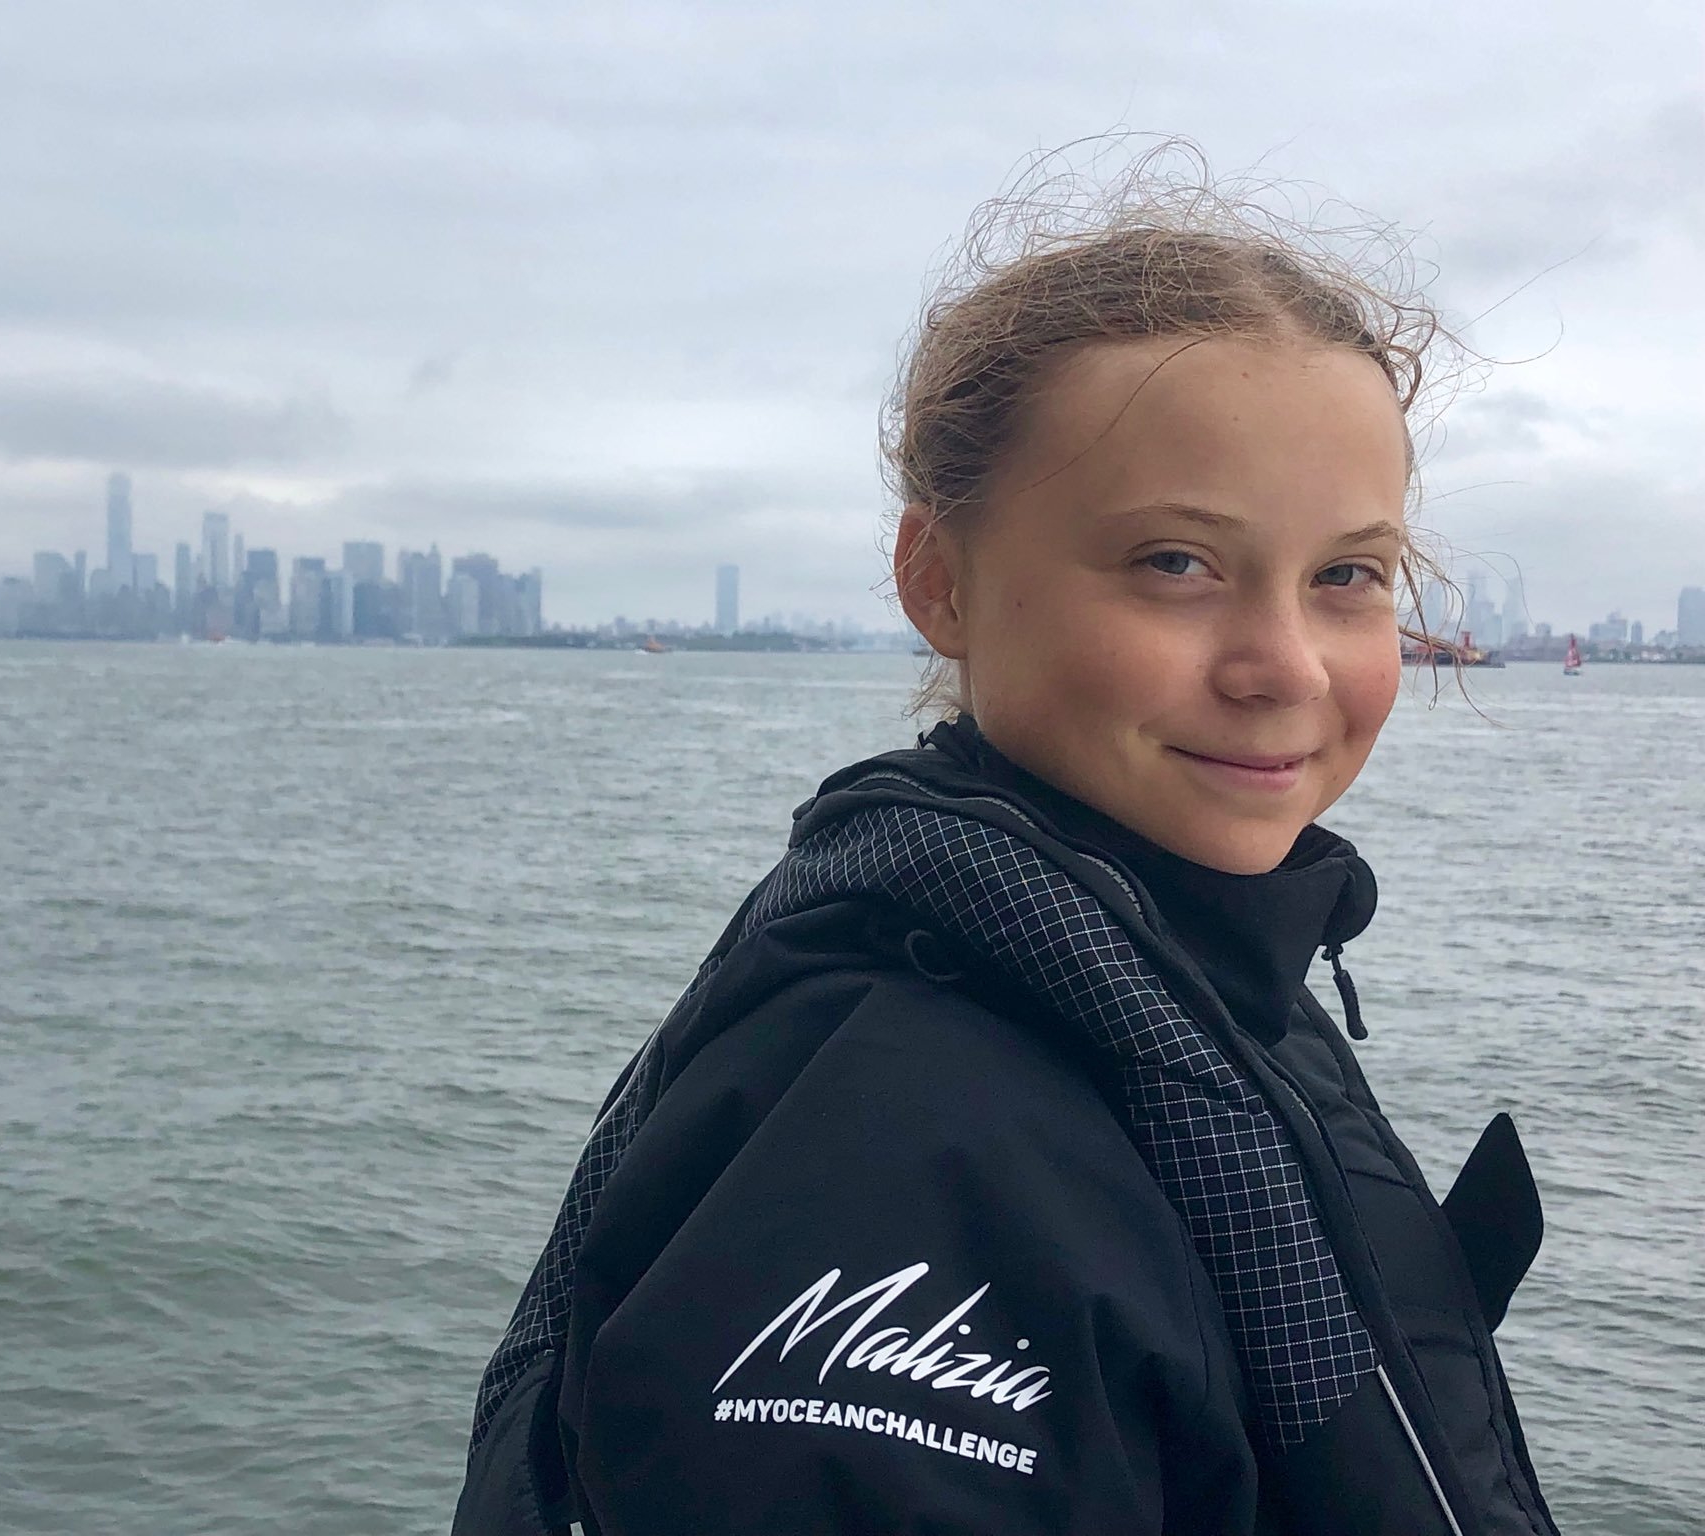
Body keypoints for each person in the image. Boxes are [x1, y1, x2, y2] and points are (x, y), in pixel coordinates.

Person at [454, 150, 1560, 1535]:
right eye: (1177, 563)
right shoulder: (900, 1137)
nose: (1286, 666)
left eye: (1346, 575)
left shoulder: (1178, 979)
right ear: (942, 581)